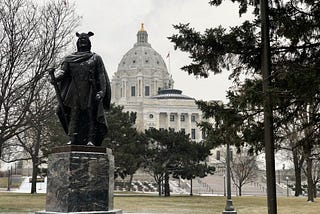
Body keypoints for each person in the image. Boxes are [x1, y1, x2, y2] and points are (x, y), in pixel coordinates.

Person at [51, 32, 111, 146]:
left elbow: (101, 75)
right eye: (80, 40)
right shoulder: (69, 59)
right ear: (77, 43)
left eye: (85, 40)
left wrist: (102, 91)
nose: (82, 42)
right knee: (72, 114)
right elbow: (63, 72)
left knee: (91, 115)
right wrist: (55, 78)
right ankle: (72, 138)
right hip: (74, 92)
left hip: (90, 90)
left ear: (89, 43)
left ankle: (91, 140)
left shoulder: (95, 58)